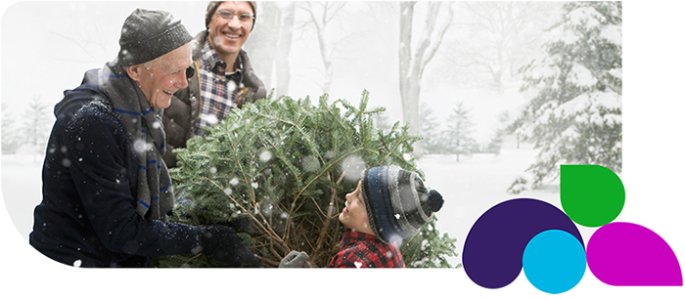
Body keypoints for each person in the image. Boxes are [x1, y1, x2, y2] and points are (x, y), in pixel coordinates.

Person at [29, 8, 259, 268]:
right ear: (135, 70)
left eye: (188, 71)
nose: (183, 83)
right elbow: (121, 232)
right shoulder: (93, 122)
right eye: (173, 72)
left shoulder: (141, 114)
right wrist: (209, 239)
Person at [162, 1, 267, 167]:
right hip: (164, 187)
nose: (234, 24)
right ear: (209, 19)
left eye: (244, 17)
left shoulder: (254, 91)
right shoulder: (177, 64)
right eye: (226, 14)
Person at [279, 165, 444, 268]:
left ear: (377, 220)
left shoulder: (353, 261)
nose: (348, 196)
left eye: (359, 198)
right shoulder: (388, 249)